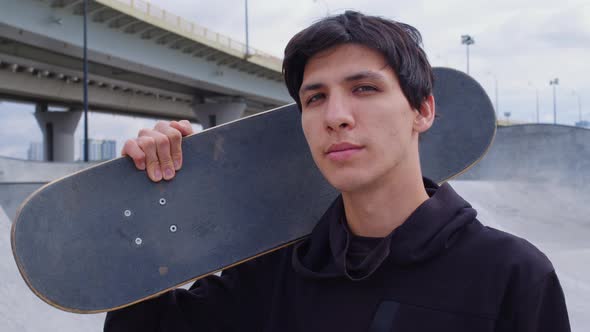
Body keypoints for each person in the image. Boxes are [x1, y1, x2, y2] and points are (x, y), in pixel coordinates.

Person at [104, 11, 570, 332]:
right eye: (315, 98)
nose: (336, 116)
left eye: (364, 88)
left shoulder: (511, 274)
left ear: (422, 111)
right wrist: (153, 198)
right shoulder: (273, 273)